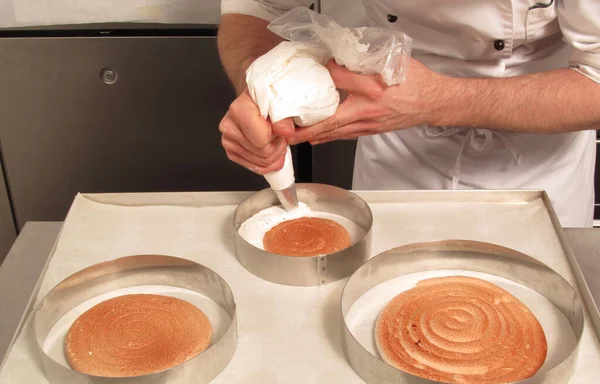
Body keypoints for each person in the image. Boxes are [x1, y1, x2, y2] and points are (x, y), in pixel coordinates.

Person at [217, 0, 600, 227]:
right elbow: (258, 9)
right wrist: (262, 80)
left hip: (534, 172)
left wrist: (437, 100)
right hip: (395, 158)